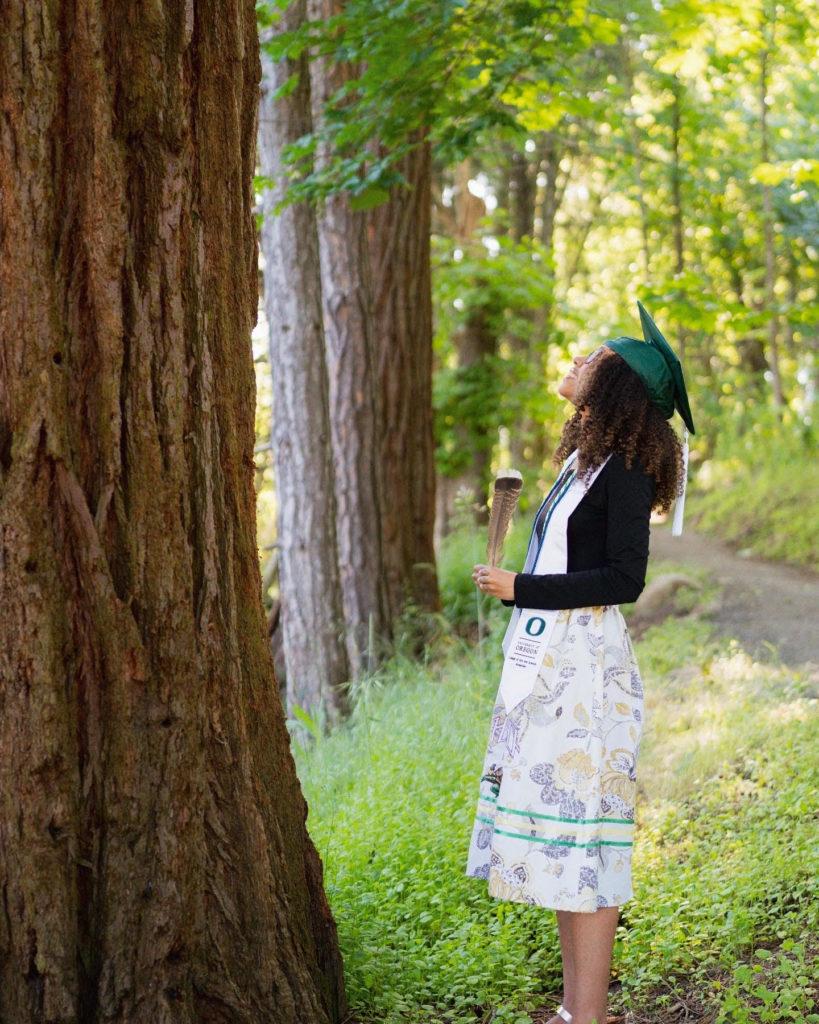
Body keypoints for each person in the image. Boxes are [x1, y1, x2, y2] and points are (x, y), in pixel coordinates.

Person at [465, 302, 695, 1024]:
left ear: (617, 383)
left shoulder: (623, 468)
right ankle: (574, 1012)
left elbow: (625, 578)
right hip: (550, 661)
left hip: (586, 673)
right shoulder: (580, 462)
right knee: (564, 843)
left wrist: (520, 588)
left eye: (591, 356)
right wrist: (519, 591)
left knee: (587, 843)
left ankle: (586, 1017)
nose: (573, 361)